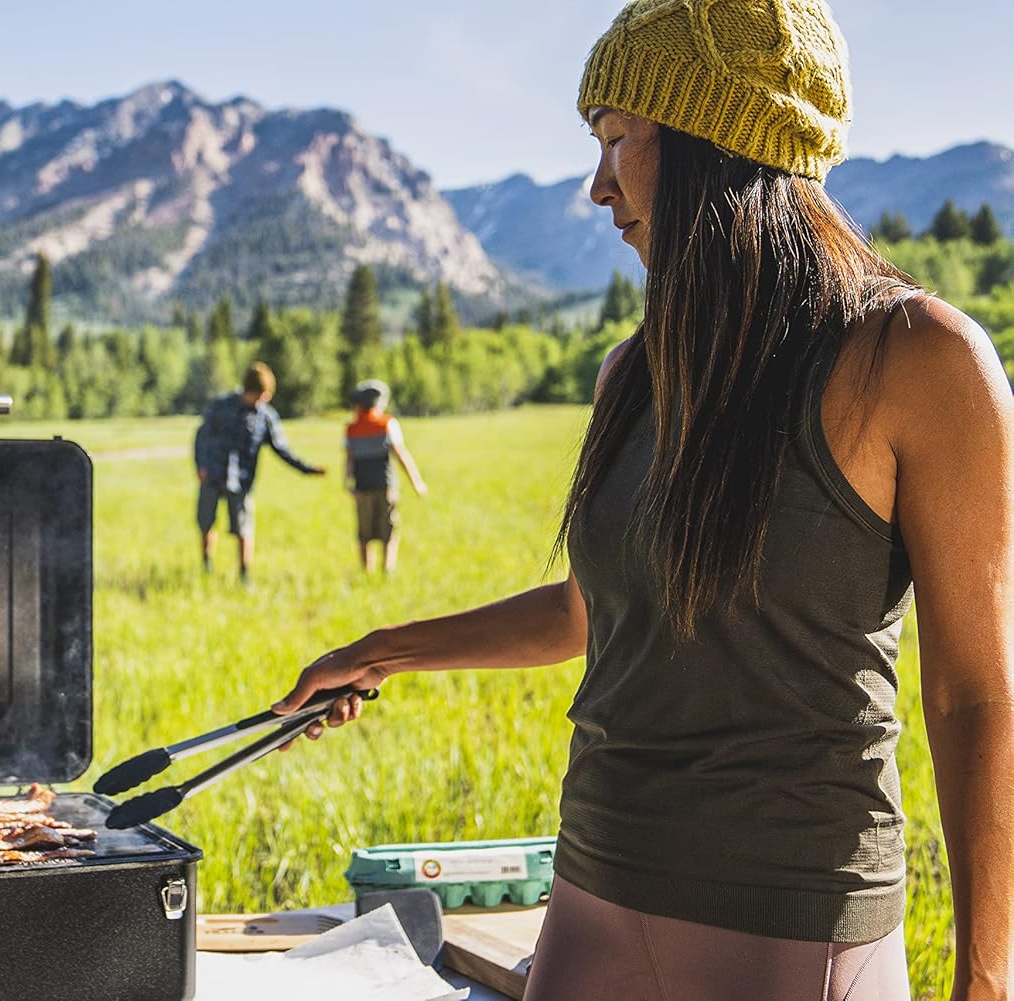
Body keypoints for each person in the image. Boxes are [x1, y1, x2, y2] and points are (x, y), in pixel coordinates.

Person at [272, 2, 1014, 999]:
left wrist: (988, 974)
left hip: (791, 925)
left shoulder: (919, 356)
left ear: (722, 142)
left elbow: (975, 694)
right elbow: (595, 610)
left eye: (620, 138)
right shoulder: (633, 372)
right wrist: (382, 649)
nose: (596, 184)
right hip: (595, 894)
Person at [194, 361, 326, 582]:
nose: (265, 400)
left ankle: (244, 574)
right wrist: (201, 466)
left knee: (244, 527)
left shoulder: (265, 416)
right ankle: (207, 566)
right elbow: (201, 437)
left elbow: (281, 449)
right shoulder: (220, 406)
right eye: (262, 395)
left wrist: (306, 469)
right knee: (206, 522)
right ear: (251, 391)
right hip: (213, 474)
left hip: (242, 480)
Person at [345, 379, 427, 574]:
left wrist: (348, 482)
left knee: (364, 531)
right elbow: (401, 455)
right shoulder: (387, 423)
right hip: (386, 485)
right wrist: (417, 482)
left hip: (362, 487)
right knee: (388, 530)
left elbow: (349, 460)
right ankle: (387, 570)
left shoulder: (352, 428)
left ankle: (367, 570)